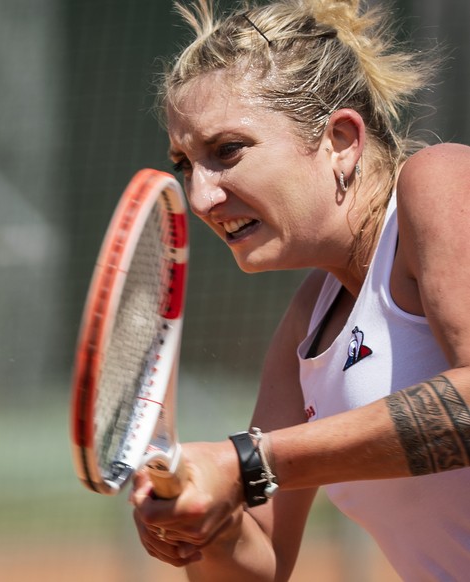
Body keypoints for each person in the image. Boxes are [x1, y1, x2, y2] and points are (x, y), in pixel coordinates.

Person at [130, 0, 470, 579]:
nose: (202, 196)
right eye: (186, 163)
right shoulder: (306, 324)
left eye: (227, 151)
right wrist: (202, 516)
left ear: (340, 139)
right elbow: (261, 562)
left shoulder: (440, 181)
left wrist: (248, 463)